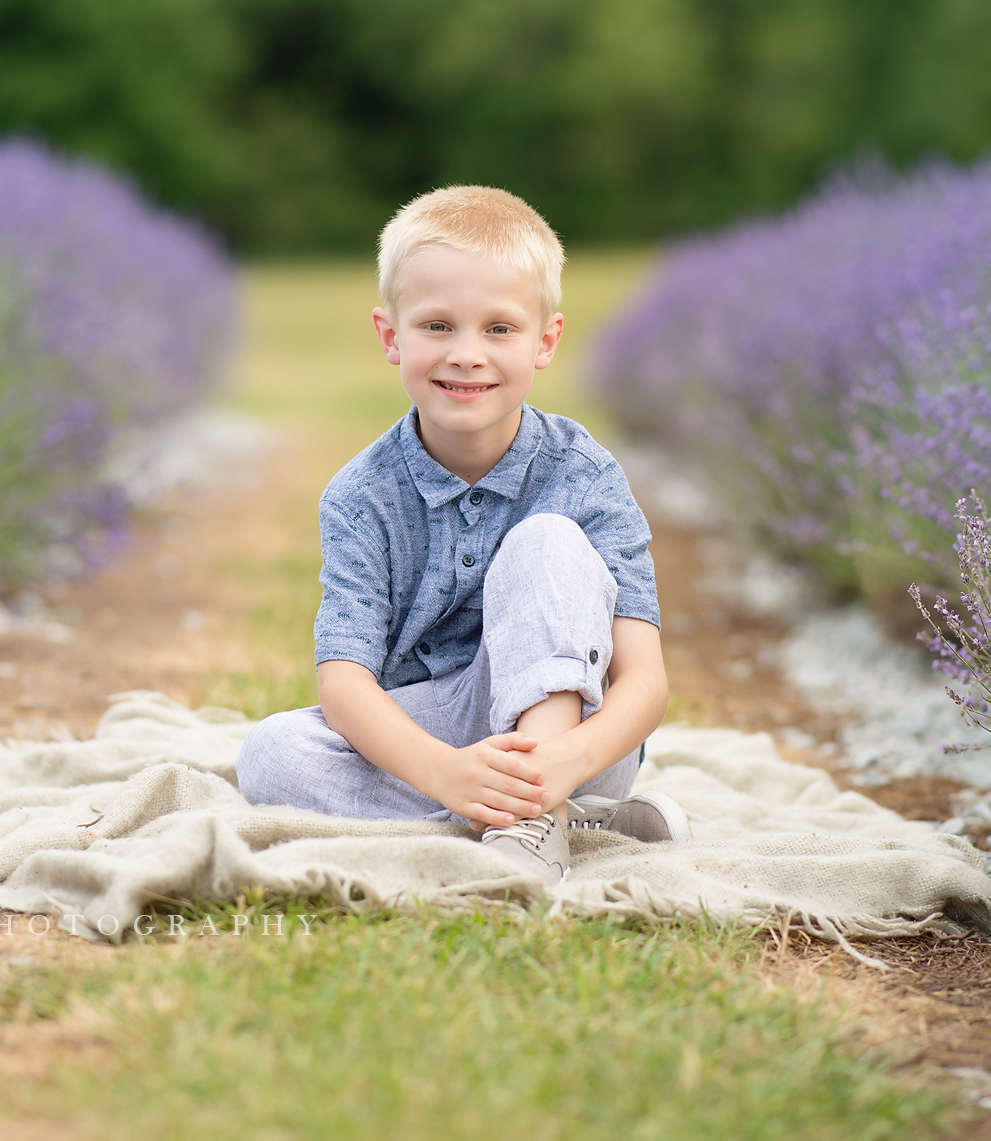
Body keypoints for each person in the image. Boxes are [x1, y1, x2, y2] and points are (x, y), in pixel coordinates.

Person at [235, 185, 688, 886]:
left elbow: (645, 679)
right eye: (438, 326)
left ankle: (541, 811)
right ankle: (560, 819)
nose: (467, 354)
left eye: (499, 329)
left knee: (546, 541)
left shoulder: (586, 475)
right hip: (434, 733)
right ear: (392, 336)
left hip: (577, 737)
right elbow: (345, 681)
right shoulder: (360, 498)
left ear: (546, 340)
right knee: (269, 753)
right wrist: (444, 771)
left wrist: (565, 758)